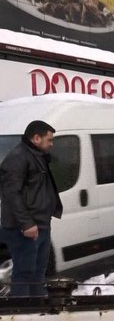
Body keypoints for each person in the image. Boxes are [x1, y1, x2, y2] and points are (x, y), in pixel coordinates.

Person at [0, 121, 63, 297]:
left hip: (41, 224)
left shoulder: (37, 156)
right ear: (36, 138)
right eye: (49, 140)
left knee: (38, 273)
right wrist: (27, 224)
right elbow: (11, 194)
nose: (52, 144)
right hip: (24, 229)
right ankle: (22, 312)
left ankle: (37, 309)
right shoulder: (18, 158)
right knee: (24, 274)